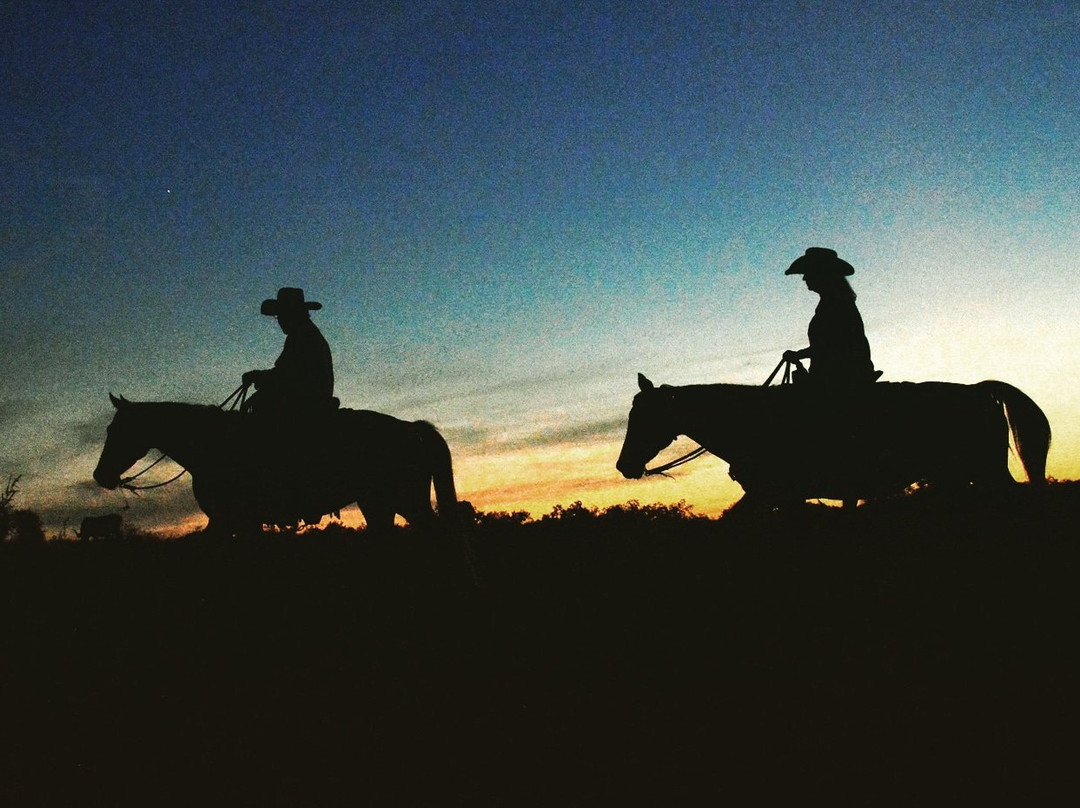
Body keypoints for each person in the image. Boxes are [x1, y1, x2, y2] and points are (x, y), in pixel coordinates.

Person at [782, 247, 879, 388]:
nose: (804, 278)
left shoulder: (836, 305)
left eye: (808, 272)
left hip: (840, 382)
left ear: (821, 274)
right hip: (841, 379)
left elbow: (831, 347)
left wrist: (798, 355)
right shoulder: (836, 302)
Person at [242, 287, 336, 416]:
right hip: (312, 400)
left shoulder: (302, 336)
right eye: (278, 316)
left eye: (281, 315)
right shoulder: (306, 332)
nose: (279, 320)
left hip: (305, 405)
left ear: (292, 314)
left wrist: (258, 377)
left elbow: (286, 376)